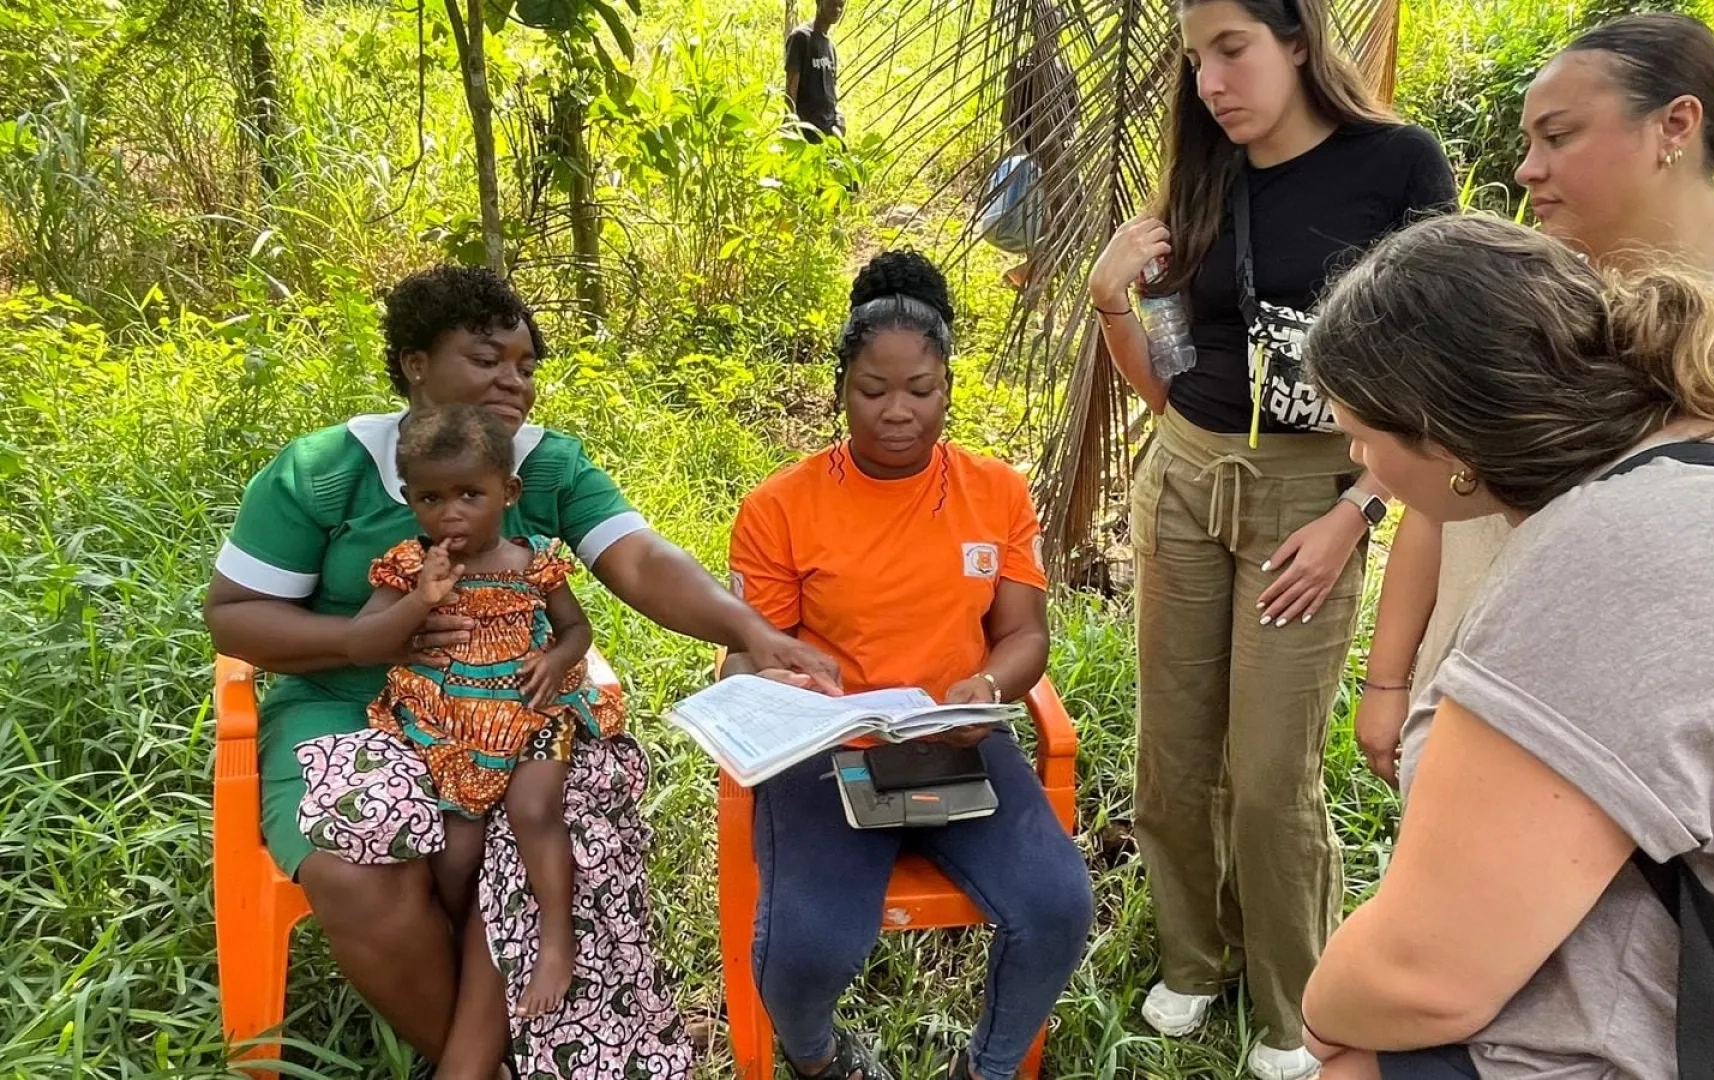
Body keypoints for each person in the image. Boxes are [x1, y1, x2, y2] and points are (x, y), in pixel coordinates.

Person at [1294, 214, 1714, 1079]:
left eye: (1362, 434)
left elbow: (1425, 978)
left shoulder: (1608, 559)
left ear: (1445, 443)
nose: (1359, 456)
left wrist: (1321, 1021)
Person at [203, 265, 835, 1080]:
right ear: (414, 364)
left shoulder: (545, 467)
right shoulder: (328, 468)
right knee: (357, 861)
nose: (514, 381)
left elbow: (639, 561)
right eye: (486, 357)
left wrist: (749, 626)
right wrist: (368, 644)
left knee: (552, 827)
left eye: (526, 365)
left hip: (513, 706)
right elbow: (236, 616)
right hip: (346, 705)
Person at [1358, 11, 1714, 788]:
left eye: (1558, 136)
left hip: (1692, 789)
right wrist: (1393, 680)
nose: (1527, 169)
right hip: (1492, 737)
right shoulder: (1533, 300)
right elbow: (1444, 502)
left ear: (1675, 125)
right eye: (1528, 143)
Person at [1085, 0, 1454, 1074]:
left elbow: (1435, 369)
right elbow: (1172, 381)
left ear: (1299, 40)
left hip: (1315, 499)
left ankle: (1296, 1000)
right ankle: (1196, 959)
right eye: (1196, 59)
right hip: (1190, 480)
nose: (1210, 82)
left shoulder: (1397, 167)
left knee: (1269, 769)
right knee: (1173, 753)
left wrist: (1358, 514)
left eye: (1232, 50)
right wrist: (1116, 303)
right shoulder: (1203, 177)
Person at [724, 251, 1094, 1080]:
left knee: (1057, 904)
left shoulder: (994, 492)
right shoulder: (781, 508)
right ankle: (822, 1061)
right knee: (807, 948)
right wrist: (777, 679)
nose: (898, 412)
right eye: (873, 391)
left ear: (949, 388)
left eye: (920, 390)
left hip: (953, 735)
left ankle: (988, 1070)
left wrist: (989, 687)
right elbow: (750, 651)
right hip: (833, 752)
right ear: (840, 390)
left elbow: (1024, 635)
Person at [346, 404, 623, 1020]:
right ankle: (458, 942)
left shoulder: (534, 559)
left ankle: (556, 939)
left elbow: (576, 630)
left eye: (471, 493)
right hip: (450, 720)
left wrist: (555, 662)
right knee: (457, 844)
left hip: (533, 710)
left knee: (535, 809)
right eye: (430, 498)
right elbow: (364, 641)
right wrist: (421, 600)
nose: (451, 513)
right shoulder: (410, 565)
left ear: (509, 491)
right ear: (409, 500)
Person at [998, 1, 1079, 290]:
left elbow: (1074, 116)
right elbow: (1011, 120)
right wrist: (1023, 159)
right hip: (1037, 157)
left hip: (1057, 157)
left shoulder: (1062, 69)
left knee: (1061, 220)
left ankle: (1037, 275)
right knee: (1043, 222)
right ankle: (1036, 275)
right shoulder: (1024, 69)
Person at [786, 0, 845, 142]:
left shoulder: (830, 46)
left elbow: (830, 90)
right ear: (819, 3)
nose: (837, 9)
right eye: (832, 4)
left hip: (829, 130)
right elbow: (791, 87)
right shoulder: (801, 38)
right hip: (806, 129)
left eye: (841, 5)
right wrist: (790, 124)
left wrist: (837, 115)